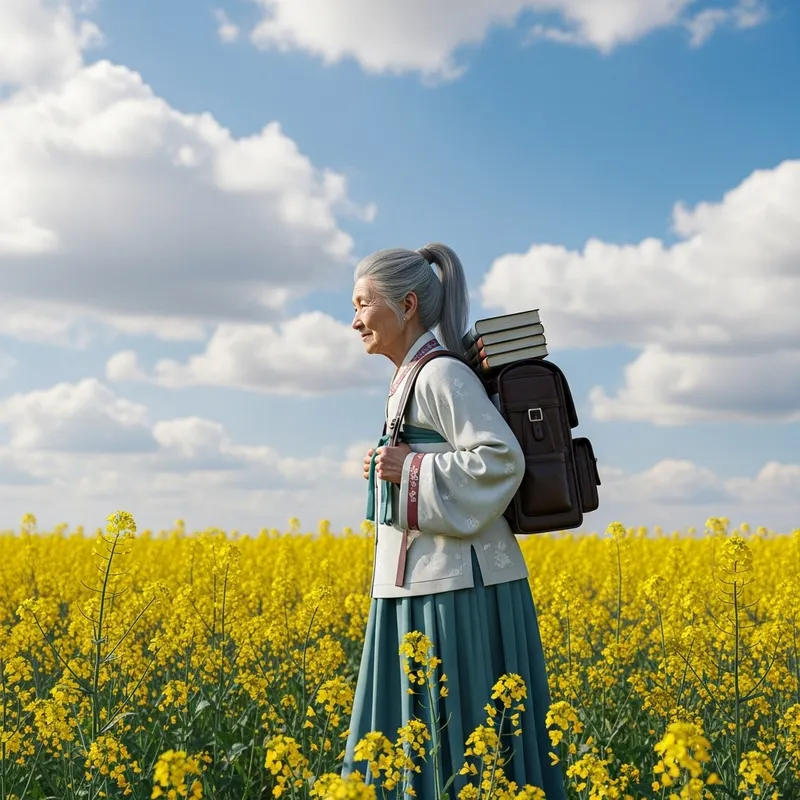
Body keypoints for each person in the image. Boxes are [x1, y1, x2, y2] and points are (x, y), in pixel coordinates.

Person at [342, 242, 566, 798]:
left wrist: (409, 466)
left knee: (461, 737)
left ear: (408, 304)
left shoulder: (441, 374)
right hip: (422, 580)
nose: (354, 321)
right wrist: (392, 465)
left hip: (457, 588)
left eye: (364, 304)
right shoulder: (408, 379)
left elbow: (501, 458)